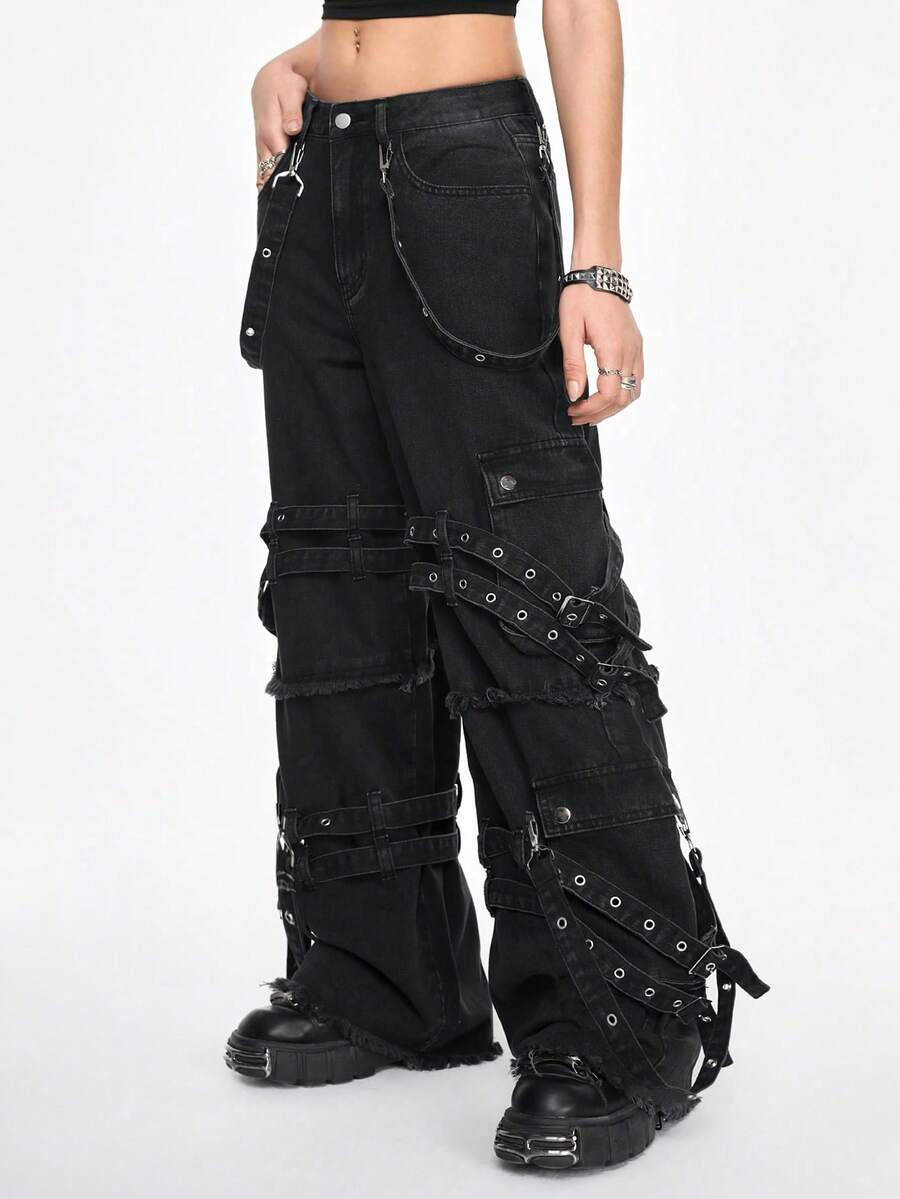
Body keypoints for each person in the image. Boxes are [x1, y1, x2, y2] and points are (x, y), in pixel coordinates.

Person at [225, 0, 767, 1171]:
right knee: (343, 575)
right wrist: (306, 57)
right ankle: (386, 978)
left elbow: (575, 6)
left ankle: (622, 1022)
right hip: (322, 180)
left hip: (459, 170)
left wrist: (597, 263)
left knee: (525, 589)